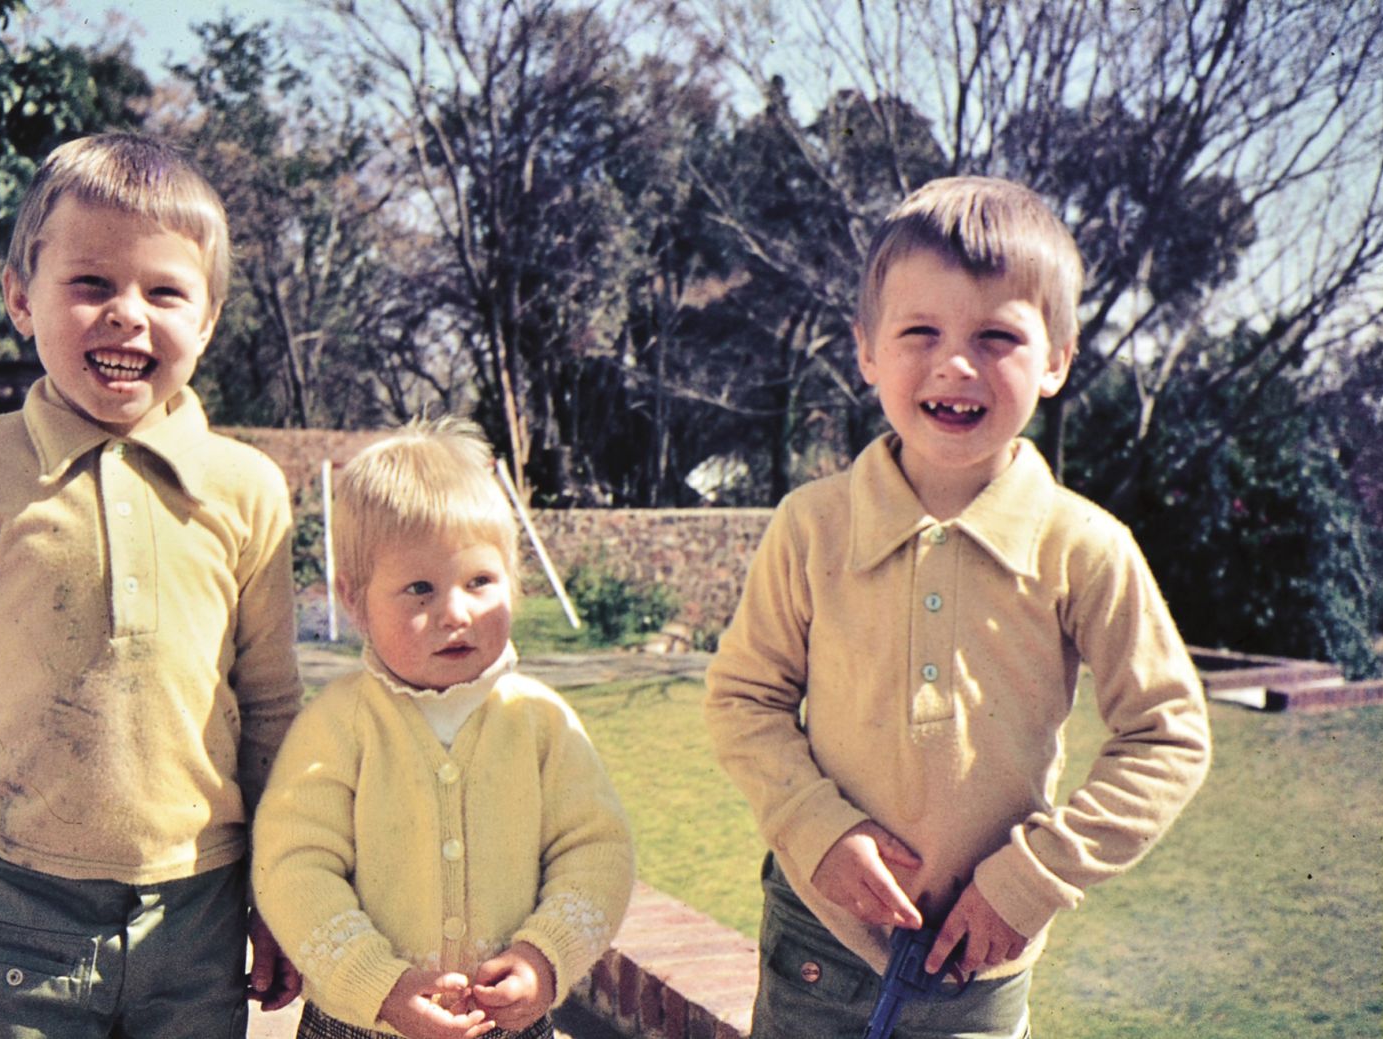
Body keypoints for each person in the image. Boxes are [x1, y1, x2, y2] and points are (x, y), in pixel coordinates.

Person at [703, 175, 1212, 1039]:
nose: (955, 363)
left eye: (996, 336)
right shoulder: (810, 527)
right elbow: (742, 701)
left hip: (981, 963)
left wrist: (1028, 883)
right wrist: (816, 829)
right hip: (815, 942)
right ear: (867, 350)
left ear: (1055, 358)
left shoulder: (1084, 546)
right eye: (920, 332)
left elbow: (1168, 736)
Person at [0, 132, 304, 1036]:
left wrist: (287, 886)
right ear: (21, 299)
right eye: (91, 284)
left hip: (201, 901)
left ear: (210, 317)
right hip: (25, 900)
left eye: (165, 291)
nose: (127, 315)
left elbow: (269, 702)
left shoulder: (246, 489)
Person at [252, 417, 635, 1039]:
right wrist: (378, 983)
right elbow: (294, 866)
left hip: (507, 1022)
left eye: (480, 582)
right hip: (362, 1023)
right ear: (355, 601)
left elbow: (596, 851)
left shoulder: (541, 722)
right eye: (420, 589)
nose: (455, 613)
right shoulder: (337, 725)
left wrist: (545, 957)